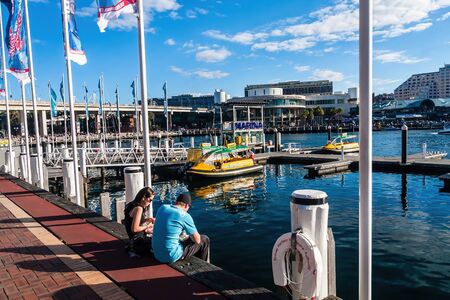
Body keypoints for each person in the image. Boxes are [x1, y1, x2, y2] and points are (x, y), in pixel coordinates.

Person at [152, 193, 210, 263]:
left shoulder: (163, 207)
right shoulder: (184, 215)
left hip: (157, 253)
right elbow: (197, 240)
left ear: (176, 202)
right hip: (170, 256)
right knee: (204, 240)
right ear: (186, 205)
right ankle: (203, 265)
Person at [124, 187, 155, 257]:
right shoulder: (139, 209)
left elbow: (132, 220)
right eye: (150, 200)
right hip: (137, 241)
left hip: (133, 238)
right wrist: (147, 226)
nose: (150, 202)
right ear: (143, 197)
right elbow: (134, 229)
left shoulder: (132, 204)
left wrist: (148, 219)